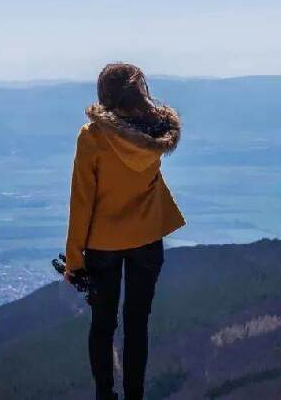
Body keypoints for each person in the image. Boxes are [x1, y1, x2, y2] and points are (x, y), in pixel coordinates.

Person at [65, 62, 185, 400]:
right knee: (137, 326)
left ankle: (106, 395)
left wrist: (75, 260)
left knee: (103, 327)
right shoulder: (155, 134)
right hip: (147, 240)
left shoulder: (92, 138)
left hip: (103, 246)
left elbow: (82, 201)